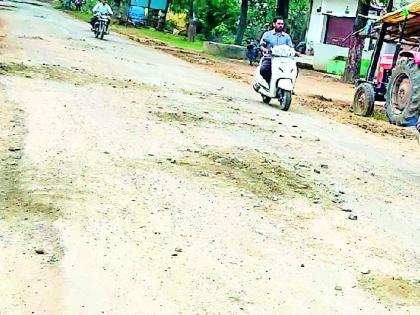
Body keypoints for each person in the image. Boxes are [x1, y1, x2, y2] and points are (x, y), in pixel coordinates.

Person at [259, 16, 294, 84]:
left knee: (294, 70)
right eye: (279, 24)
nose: (281, 25)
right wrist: (264, 49)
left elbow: (291, 47)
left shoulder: (287, 37)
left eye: (282, 24)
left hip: (284, 59)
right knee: (264, 70)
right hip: (270, 57)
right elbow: (262, 45)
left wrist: (294, 52)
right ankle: (269, 83)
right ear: (274, 24)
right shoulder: (267, 34)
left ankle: (290, 87)